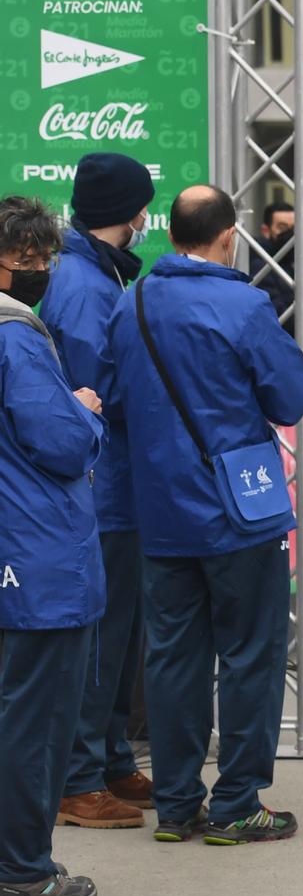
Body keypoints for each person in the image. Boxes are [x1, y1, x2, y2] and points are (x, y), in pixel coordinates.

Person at [105, 185, 303, 844]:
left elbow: (112, 397)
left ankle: (174, 804)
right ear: (229, 235)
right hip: (237, 505)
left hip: (161, 509)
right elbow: (291, 396)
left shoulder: (131, 301)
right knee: (250, 653)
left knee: (171, 658)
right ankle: (237, 802)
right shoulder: (246, 303)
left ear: (170, 234)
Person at [39, 154, 158, 830]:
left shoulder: (97, 273)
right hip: (100, 488)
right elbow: (92, 390)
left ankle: (110, 759)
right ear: (133, 211)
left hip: (118, 486)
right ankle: (80, 778)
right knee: (105, 639)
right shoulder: (85, 285)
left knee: (123, 635)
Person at [0, 196, 109, 896]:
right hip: (35, 551)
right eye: (33, 259)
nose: (41, 271)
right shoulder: (14, 337)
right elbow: (61, 442)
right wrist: (84, 410)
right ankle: (21, 870)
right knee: (33, 723)